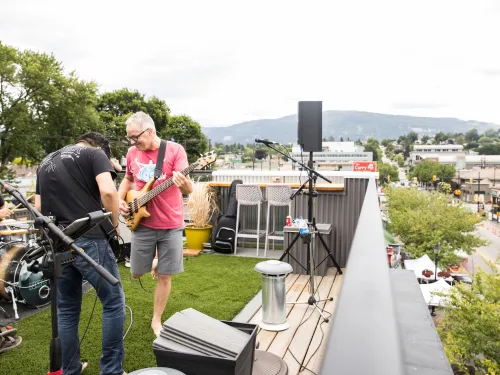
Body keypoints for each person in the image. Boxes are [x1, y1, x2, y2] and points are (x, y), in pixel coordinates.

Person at [35, 132, 126, 375]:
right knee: (113, 302)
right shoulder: (95, 154)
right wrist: (115, 226)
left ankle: (71, 369)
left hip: (58, 243)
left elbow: (38, 207)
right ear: (101, 149)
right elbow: (108, 193)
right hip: (91, 238)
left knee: (66, 310)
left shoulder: (45, 162)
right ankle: (112, 370)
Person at [118, 111, 192, 336]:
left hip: (170, 222)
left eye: (134, 137)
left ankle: (156, 319)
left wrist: (183, 184)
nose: (132, 142)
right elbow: (128, 179)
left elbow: (187, 189)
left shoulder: (175, 150)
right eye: (129, 138)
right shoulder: (133, 153)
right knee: (135, 273)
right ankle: (152, 263)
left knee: (166, 275)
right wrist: (121, 199)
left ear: (149, 131)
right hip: (141, 222)